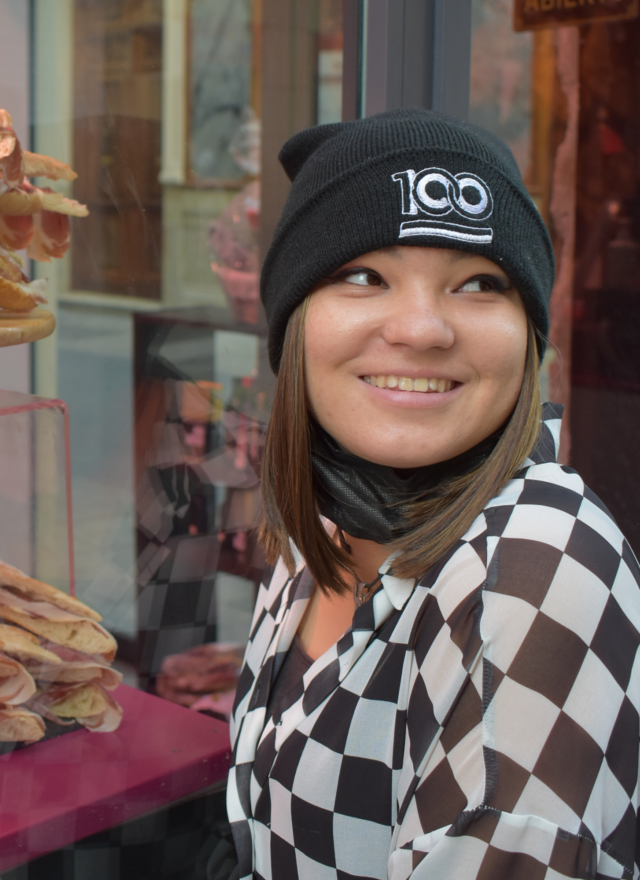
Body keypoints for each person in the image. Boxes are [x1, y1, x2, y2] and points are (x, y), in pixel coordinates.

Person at [224, 109, 640, 880]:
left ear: (528, 335)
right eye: (363, 276)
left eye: (480, 283)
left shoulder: (534, 563)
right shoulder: (330, 516)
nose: (421, 328)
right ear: (293, 325)